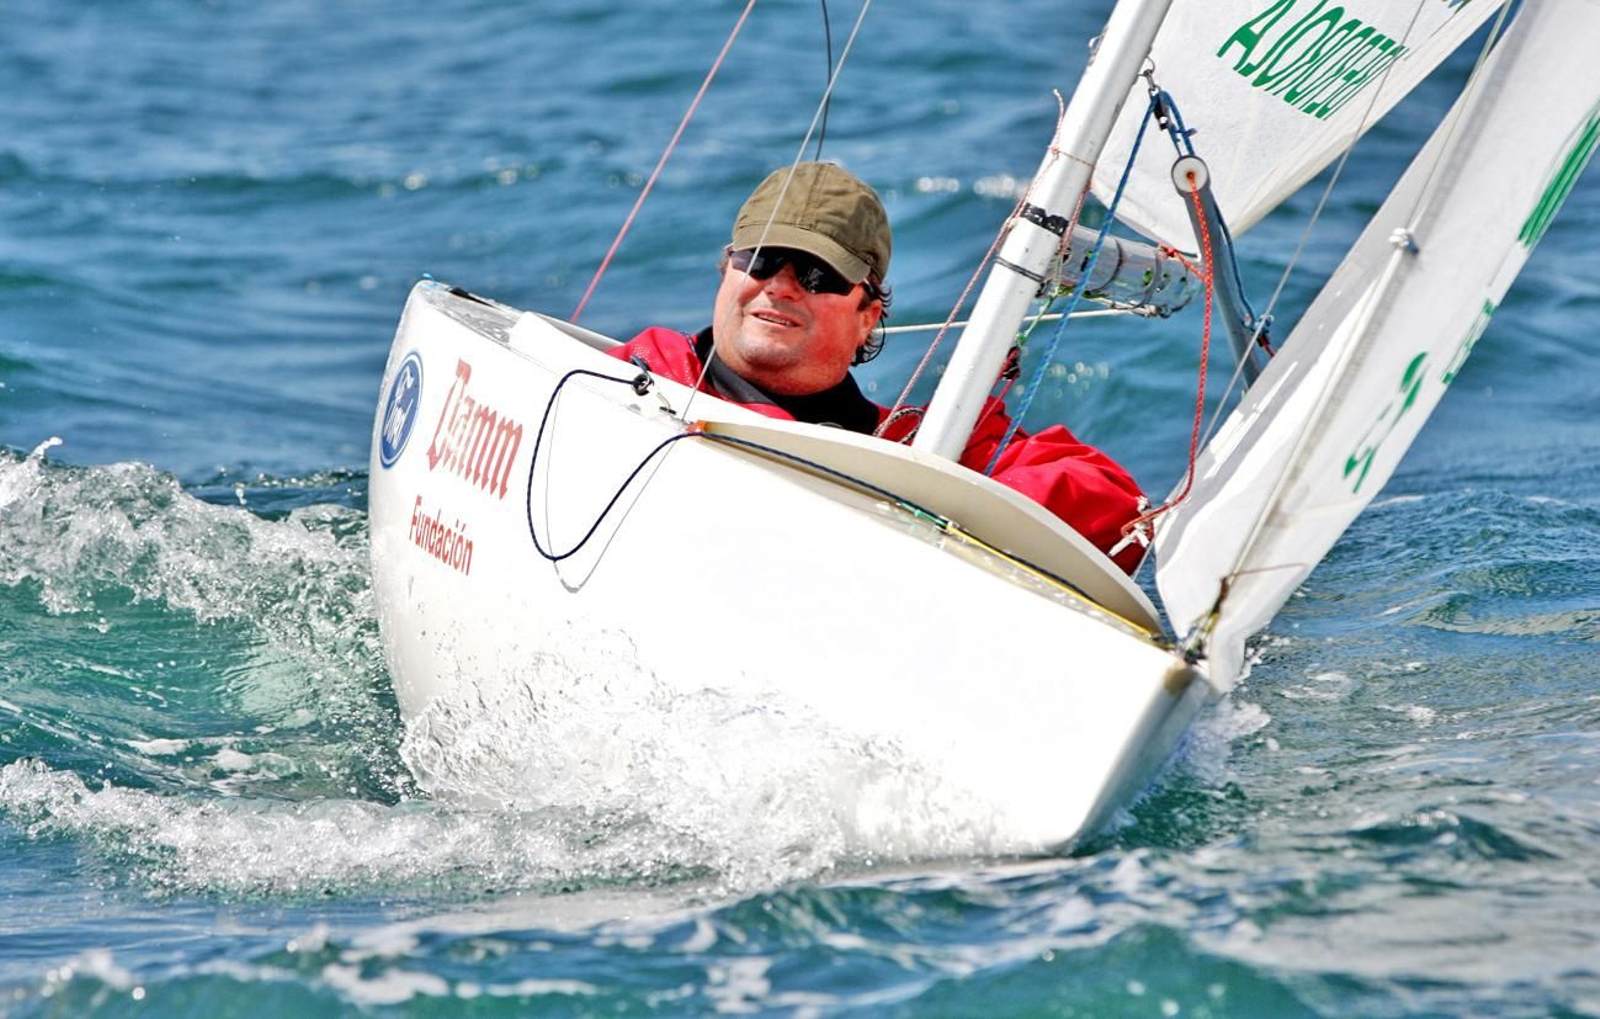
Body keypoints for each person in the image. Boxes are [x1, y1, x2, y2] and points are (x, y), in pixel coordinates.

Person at [607, 162, 1147, 573]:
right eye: (762, 259)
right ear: (728, 269)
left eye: (818, 275)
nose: (781, 286)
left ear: (867, 317)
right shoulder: (639, 375)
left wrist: (924, 501)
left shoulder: (922, 449)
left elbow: (1120, 512)